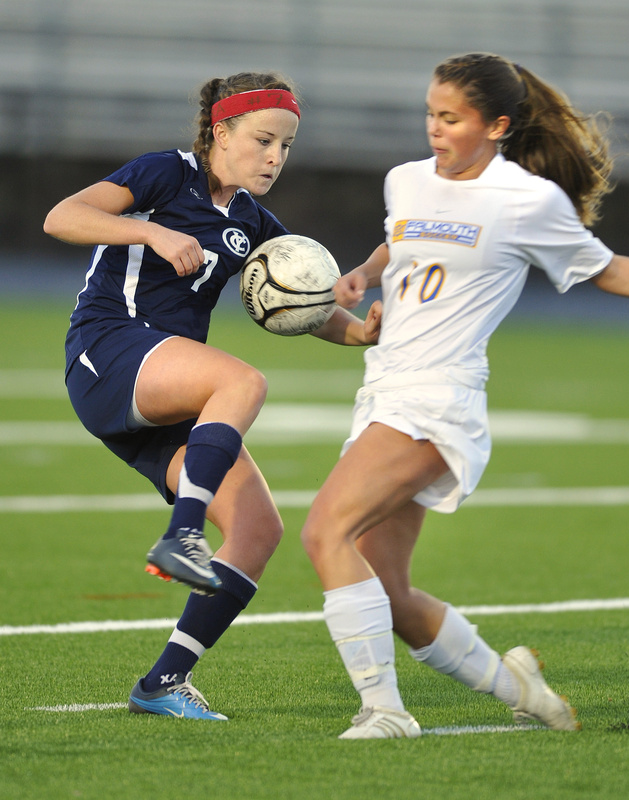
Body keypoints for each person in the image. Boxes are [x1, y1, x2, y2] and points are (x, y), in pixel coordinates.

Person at [299, 52, 629, 739]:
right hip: (381, 392)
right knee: (389, 591)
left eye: (451, 118)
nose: (435, 129)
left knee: (324, 531)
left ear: (496, 125)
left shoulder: (526, 200)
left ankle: (384, 712)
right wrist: (362, 276)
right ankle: (522, 687)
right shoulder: (405, 181)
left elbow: (607, 271)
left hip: (438, 400)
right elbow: (395, 244)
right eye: (430, 113)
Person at [43, 71, 381, 720]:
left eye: (286, 146)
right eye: (262, 140)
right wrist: (152, 232)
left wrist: (362, 330)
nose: (275, 158)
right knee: (242, 380)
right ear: (220, 132)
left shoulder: (253, 221)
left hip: (165, 390)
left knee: (258, 530)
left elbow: (307, 304)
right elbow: (63, 217)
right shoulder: (165, 174)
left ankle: (163, 683)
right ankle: (183, 535)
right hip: (110, 350)